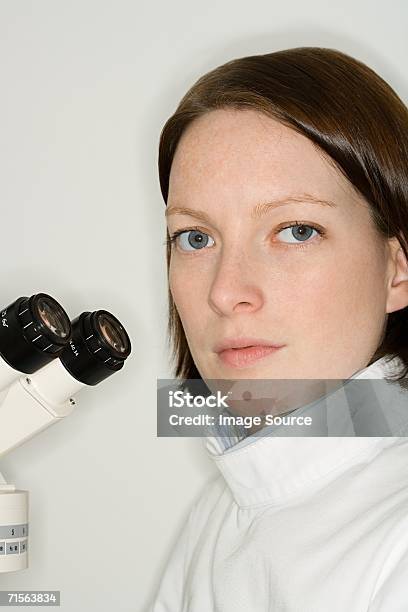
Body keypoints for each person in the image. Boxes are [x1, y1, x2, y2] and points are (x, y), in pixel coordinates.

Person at [150, 47, 408, 611]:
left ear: (397, 268)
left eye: (295, 231)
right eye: (195, 238)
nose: (224, 291)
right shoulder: (219, 515)